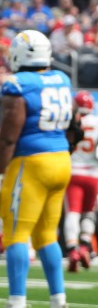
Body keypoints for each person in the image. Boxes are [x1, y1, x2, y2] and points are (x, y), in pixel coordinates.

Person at [0, 30, 72, 308]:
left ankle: (16, 306)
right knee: (47, 235)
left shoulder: (18, 84)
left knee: (16, 234)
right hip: (61, 160)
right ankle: (59, 306)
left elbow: (8, 137)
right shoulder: (62, 79)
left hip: (31, 163)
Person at [64, 90, 97, 272]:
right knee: (88, 213)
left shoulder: (71, 120)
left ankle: (73, 250)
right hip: (93, 174)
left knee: (73, 213)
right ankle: (85, 246)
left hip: (73, 172)